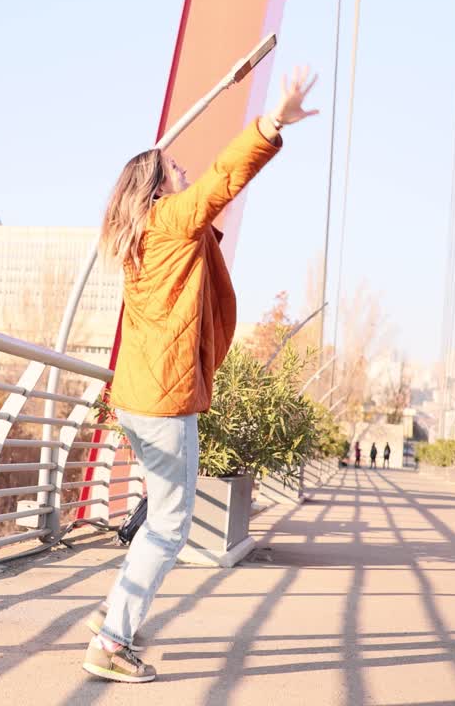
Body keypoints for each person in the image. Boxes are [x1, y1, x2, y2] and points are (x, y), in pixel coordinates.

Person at [81, 66, 319, 683]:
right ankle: (111, 641)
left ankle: (116, 608)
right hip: (161, 402)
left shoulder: (141, 236)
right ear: (158, 186)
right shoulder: (170, 220)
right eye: (174, 168)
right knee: (170, 524)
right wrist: (272, 122)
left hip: (137, 395)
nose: (184, 171)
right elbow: (221, 179)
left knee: (161, 512)